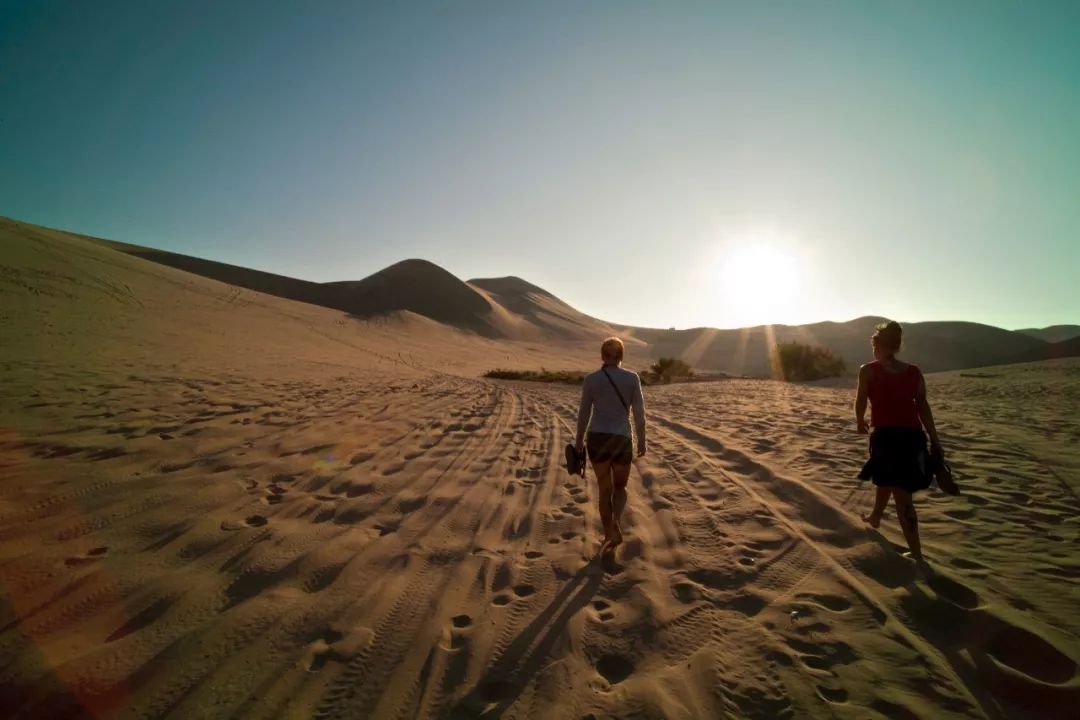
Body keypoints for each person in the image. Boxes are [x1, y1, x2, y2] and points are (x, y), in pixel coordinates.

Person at [855, 321, 944, 562]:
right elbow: (923, 406)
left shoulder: (868, 370)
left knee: (902, 496)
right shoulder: (914, 371)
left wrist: (859, 420)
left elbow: (861, 398)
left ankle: (917, 556)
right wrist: (934, 439)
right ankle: (875, 518)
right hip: (913, 438)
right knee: (887, 479)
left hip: (887, 439)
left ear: (877, 345)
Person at [575, 337, 646, 550]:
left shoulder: (591, 379)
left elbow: (584, 412)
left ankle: (609, 534)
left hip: (597, 438)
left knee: (604, 490)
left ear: (602, 356)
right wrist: (642, 441)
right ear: (622, 356)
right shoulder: (632, 378)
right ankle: (616, 521)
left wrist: (579, 440)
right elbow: (639, 414)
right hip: (621, 439)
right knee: (620, 488)